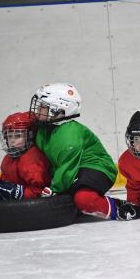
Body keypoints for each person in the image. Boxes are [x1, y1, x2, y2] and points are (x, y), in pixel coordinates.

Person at [29, 83, 123, 220]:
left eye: (42, 106)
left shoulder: (68, 135)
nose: (37, 110)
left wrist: (54, 189)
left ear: (59, 109)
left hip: (98, 168)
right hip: (75, 169)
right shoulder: (44, 129)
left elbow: (67, 168)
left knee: (83, 199)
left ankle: (119, 209)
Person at [0, 112, 51, 200]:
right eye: (9, 136)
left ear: (30, 136)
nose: (12, 141)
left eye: (18, 136)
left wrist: (22, 193)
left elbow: (41, 191)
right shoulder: (7, 160)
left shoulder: (32, 160)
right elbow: (6, 186)